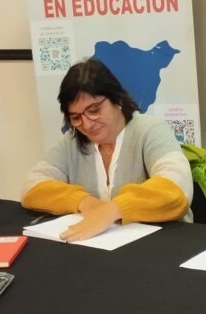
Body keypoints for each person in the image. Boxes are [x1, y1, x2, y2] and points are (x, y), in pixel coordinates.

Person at [22, 58, 192, 241]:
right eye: (76, 117)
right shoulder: (73, 142)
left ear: (116, 99)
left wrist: (113, 210)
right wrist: (85, 203)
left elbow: (177, 188)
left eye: (94, 110)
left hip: (162, 245)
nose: (86, 124)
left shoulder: (150, 130)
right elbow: (32, 186)